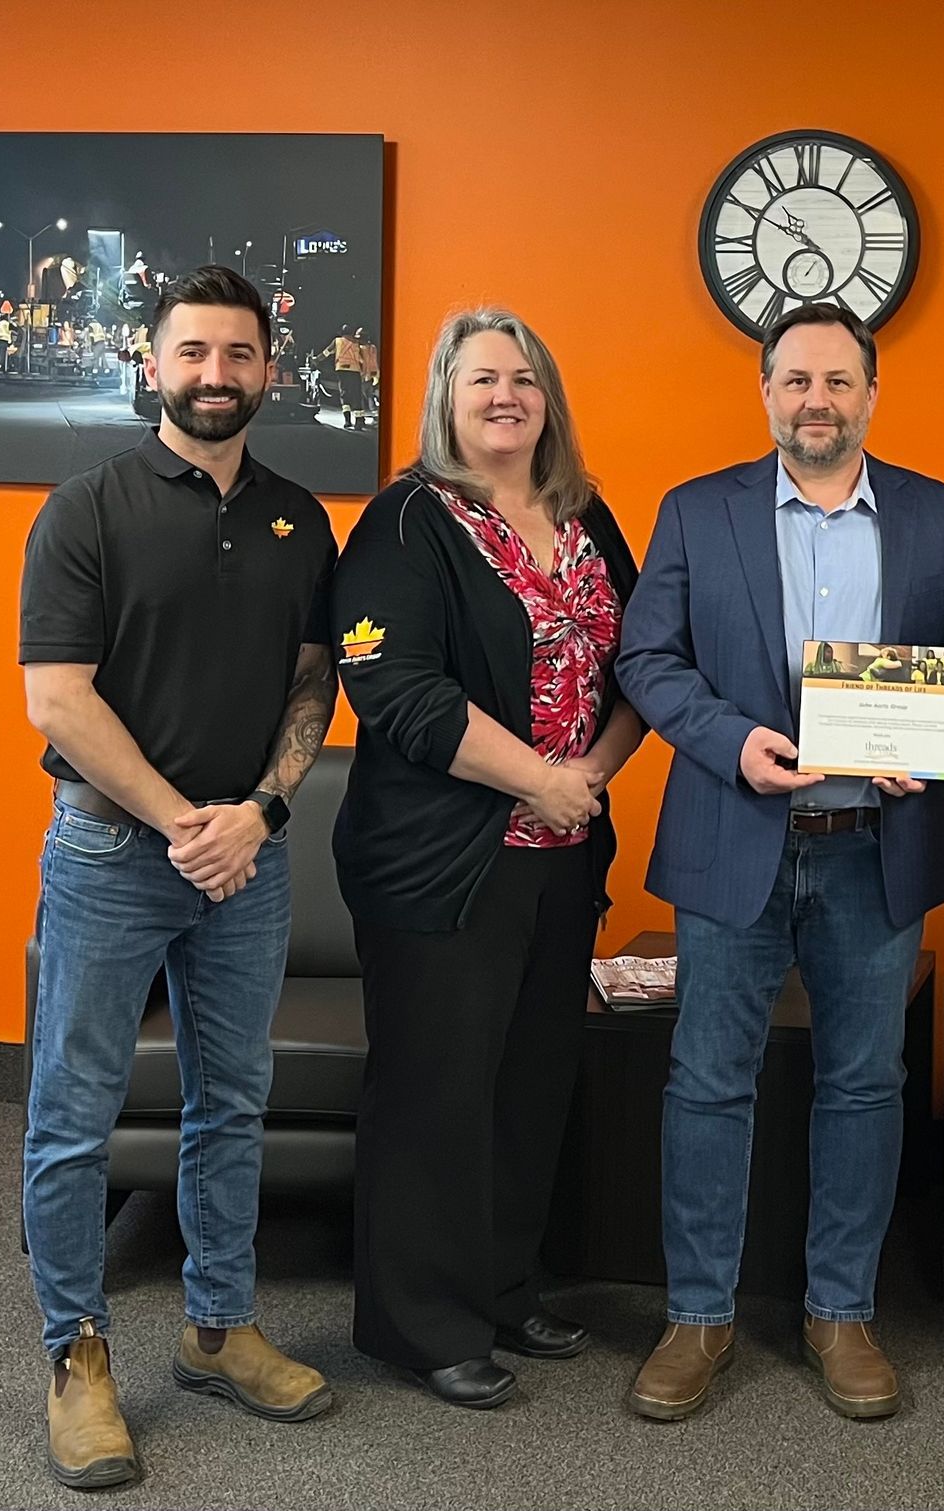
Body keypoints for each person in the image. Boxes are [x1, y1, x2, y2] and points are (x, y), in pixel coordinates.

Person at [615, 302, 944, 1423]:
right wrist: (734, 743)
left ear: (871, 394)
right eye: (793, 380)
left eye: (836, 380)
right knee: (708, 1080)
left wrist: (922, 746)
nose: (814, 399)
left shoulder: (938, 515)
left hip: (876, 849)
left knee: (866, 1082)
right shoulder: (697, 510)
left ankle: (840, 1310)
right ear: (765, 390)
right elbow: (647, 654)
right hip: (737, 837)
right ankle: (697, 1312)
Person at [18, 265, 339, 1491]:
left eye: (238, 355)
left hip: (246, 861)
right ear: (155, 364)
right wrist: (182, 824)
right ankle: (76, 1355)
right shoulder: (86, 508)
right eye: (194, 353)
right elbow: (58, 697)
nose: (217, 375)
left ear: (269, 369)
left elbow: (315, 678)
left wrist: (256, 812)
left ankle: (216, 1325)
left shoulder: (300, 518)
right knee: (71, 1114)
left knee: (231, 1102)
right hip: (110, 849)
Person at [331, 308, 643, 1409]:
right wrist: (537, 779)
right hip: (443, 862)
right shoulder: (406, 522)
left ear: (548, 397)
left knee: (528, 1079)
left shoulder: (587, 513)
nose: (505, 394)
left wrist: (590, 772)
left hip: (564, 852)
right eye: (481, 379)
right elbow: (396, 689)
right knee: (435, 1089)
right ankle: (421, 1323)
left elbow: (643, 659)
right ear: (445, 399)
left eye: (524, 377)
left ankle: (507, 1285)